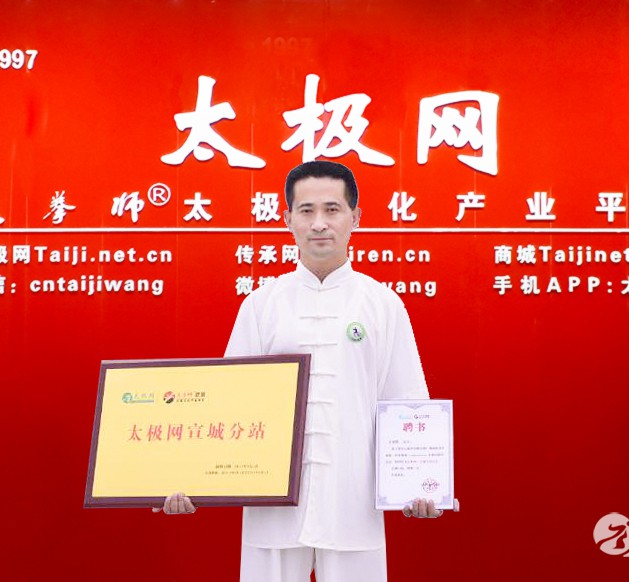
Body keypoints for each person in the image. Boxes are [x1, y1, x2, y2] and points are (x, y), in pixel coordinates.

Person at [155, 161, 442, 582]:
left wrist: (420, 485)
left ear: (355, 217)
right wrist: (186, 479)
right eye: (306, 211)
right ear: (288, 219)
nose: (319, 223)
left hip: (353, 501)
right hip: (271, 505)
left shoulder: (383, 304)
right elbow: (225, 405)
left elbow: (406, 402)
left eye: (332, 209)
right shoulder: (261, 304)